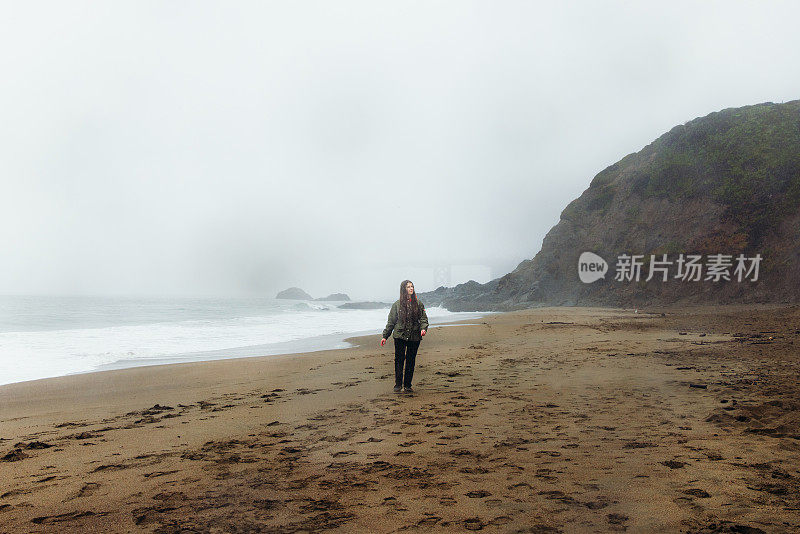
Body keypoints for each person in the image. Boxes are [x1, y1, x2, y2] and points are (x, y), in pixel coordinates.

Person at [380, 280, 429, 394]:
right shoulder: (397, 305)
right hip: (399, 336)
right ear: (403, 289)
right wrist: (385, 336)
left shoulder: (418, 303)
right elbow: (391, 322)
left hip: (414, 336)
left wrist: (423, 329)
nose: (411, 288)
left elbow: (423, 318)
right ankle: (398, 385)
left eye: (412, 286)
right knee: (399, 360)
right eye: (408, 287)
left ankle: (407, 385)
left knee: (411, 361)